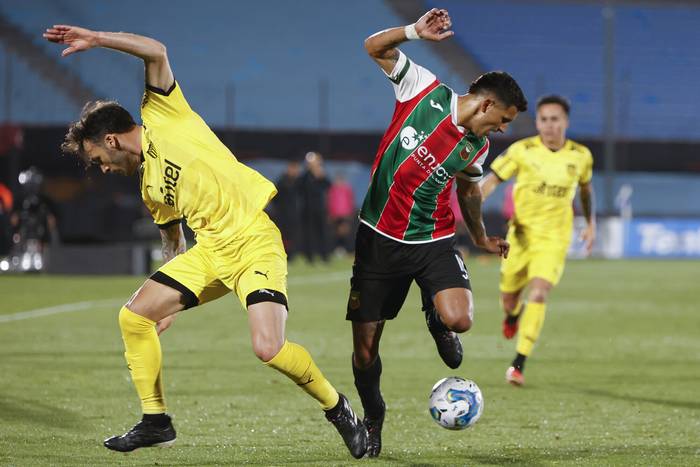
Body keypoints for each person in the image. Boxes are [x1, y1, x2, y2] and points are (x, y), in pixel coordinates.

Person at [43, 25, 367, 458]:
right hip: (209, 253)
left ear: (112, 139)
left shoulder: (162, 113)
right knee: (134, 317)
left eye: (99, 160)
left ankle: (338, 407)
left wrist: (97, 40)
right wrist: (171, 296)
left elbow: (155, 51)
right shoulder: (149, 187)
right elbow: (173, 243)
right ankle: (155, 420)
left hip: (253, 239)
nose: (103, 169)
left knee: (268, 348)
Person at [347, 8, 527, 457]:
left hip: (431, 240)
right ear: (485, 104)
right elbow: (373, 47)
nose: (502, 129)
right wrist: (413, 32)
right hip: (378, 240)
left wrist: (482, 237)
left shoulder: (477, 146)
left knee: (459, 319)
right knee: (365, 351)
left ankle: (436, 313)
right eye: (503, 119)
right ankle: (374, 417)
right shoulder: (423, 89)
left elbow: (468, 194)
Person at [480, 95, 595, 386]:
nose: (549, 125)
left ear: (565, 122)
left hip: (554, 239)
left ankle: (518, 363)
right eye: (544, 119)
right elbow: (492, 178)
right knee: (508, 299)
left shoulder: (580, 156)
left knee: (540, 292)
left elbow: (585, 190)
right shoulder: (522, 150)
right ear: (538, 122)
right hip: (520, 237)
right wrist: (475, 198)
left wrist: (590, 223)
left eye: (555, 119)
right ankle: (512, 315)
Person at [300, 151, 331, 263]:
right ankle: (310, 257)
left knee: (323, 232)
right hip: (308, 209)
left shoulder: (321, 175)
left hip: (320, 208)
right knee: (309, 234)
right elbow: (301, 187)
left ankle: (325, 256)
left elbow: (328, 186)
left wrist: (321, 177)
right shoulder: (305, 176)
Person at [273, 161, 303, 260]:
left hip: (294, 214)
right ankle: (283, 254)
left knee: (293, 236)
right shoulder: (282, 181)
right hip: (282, 214)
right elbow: (275, 198)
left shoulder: (298, 182)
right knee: (283, 236)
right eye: (293, 169)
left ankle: (291, 255)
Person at [327, 173, 356, 254]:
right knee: (337, 232)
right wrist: (331, 213)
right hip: (336, 215)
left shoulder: (347, 189)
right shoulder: (332, 189)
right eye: (337, 180)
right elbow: (331, 202)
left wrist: (350, 213)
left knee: (345, 231)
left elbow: (350, 201)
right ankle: (338, 249)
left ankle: (346, 249)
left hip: (345, 214)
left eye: (340, 180)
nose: (338, 182)